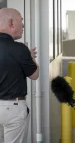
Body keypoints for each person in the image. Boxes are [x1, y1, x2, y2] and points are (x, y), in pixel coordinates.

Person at [0, 8, 39, 143]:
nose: (23, 25)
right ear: (11, 23)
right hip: (13, 108)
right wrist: (30, 57)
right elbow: (34, 75)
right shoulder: (19, 49)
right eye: (21, 21)